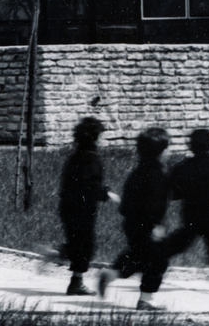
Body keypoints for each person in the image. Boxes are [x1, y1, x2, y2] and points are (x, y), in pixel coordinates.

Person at [98, 126, 173, 311]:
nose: (169, 152)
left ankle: (111, 273)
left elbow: (127, 202)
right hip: (150, 226)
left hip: (131, 223)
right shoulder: (158, 175)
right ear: (160, 153)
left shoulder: (137, 172)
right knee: (157, 261)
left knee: (138, 256)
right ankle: (145, 299)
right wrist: (156, 225)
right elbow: (155, 204)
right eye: (167, 148)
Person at [49, 116, 117, 295]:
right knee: (86, 246)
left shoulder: (75, 156)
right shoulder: (92, 158)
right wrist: (107, 194)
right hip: (83, 208)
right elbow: (91, 184)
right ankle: (72, 276)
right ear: (94, 138)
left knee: (77, 242)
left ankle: (65, 265)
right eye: (101, 136)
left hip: (67, 205)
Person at [163, 127, 209, 278]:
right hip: (205, 210)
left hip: (189, 209)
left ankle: (155, 256)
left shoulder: (185, 165)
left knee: (184, 239)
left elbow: (172, 185)